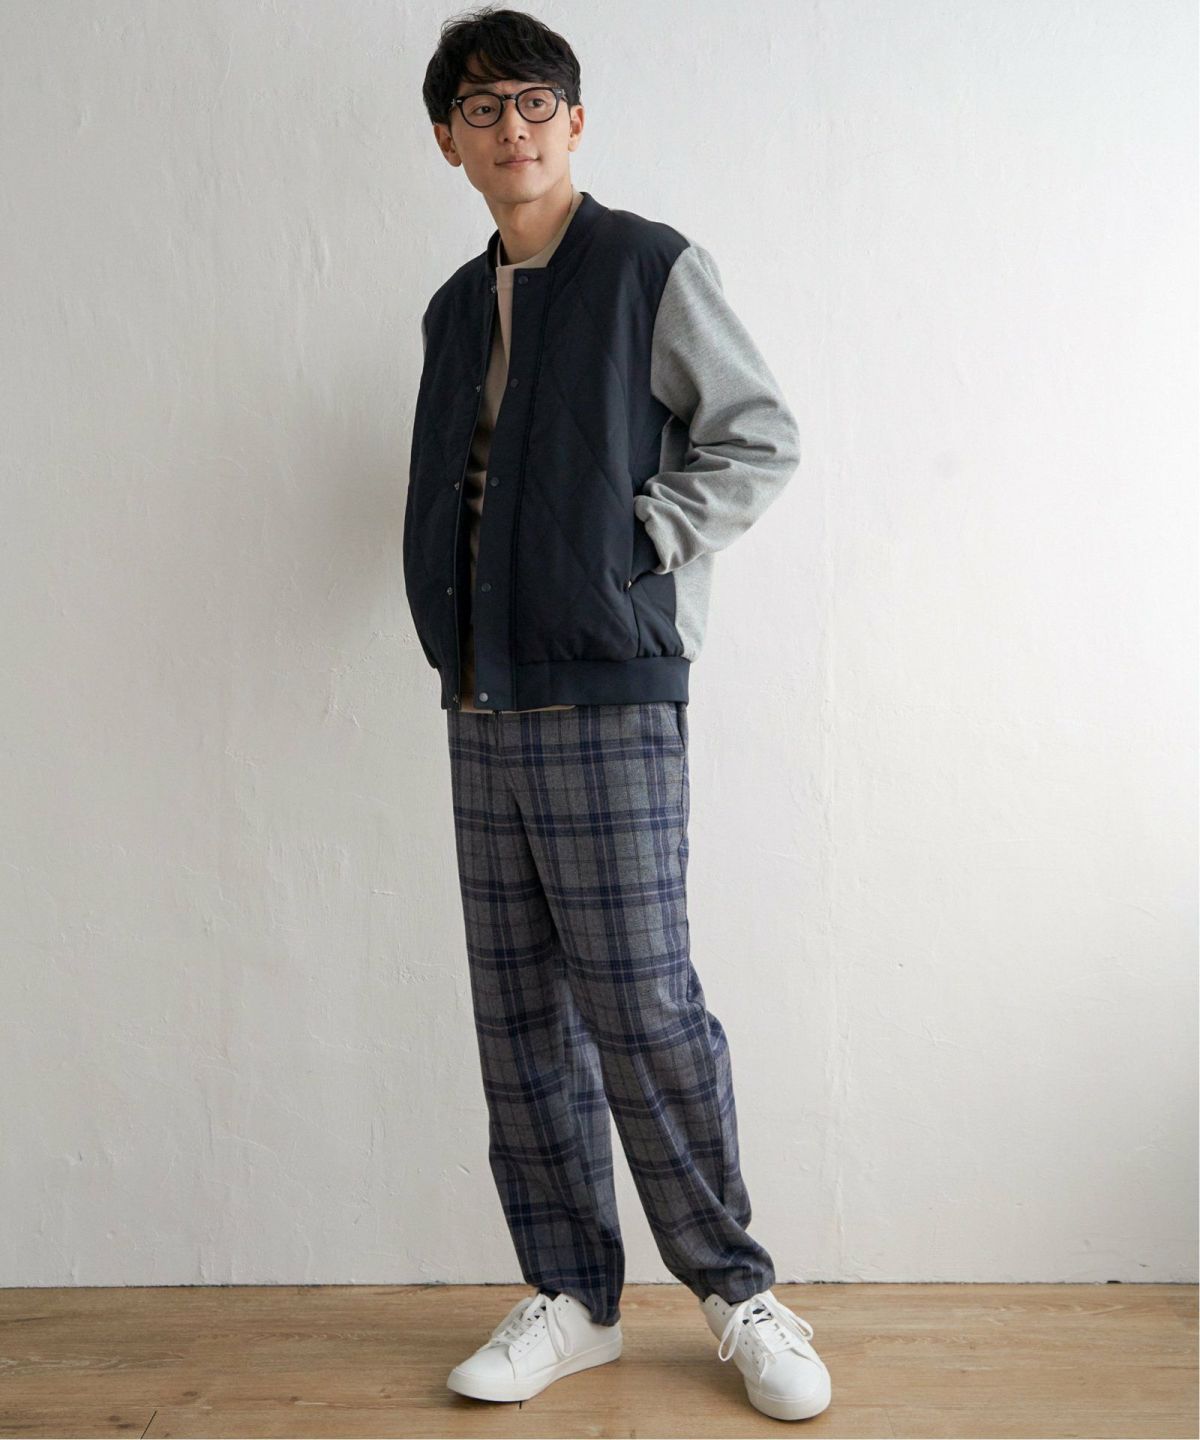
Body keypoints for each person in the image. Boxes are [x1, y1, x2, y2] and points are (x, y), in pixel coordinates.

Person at [404, 6, 832, 1423]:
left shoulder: (650, 267)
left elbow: (759, 433)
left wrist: (634, 542)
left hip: (606, 683)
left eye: (535, 102)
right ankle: (575, 1298)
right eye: (482, 109)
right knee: (518, 1010)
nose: (512, 128)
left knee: (644, 1002)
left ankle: (735, 1288)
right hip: (481, 694)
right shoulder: (454, 307)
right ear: (451, 140)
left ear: (574, 122)